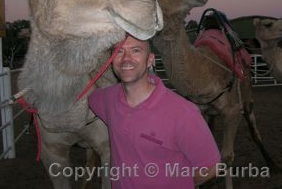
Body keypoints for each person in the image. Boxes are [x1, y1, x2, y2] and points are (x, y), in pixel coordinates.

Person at [88, 35, 221, 188]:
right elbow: (90, 95)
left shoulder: (183, 113)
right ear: (112, 61)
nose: (126, 58)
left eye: (136, 50)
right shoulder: (108, 99)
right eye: (119, 52)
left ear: (150, 60)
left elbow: (212, 168)